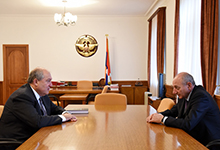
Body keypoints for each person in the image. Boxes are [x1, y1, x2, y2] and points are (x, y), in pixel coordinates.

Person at [0, 68, 77, 147]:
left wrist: (65, 113)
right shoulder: (22, 96)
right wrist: (63, 118)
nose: (51, 85)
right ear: (36, 82)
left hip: (36, 136)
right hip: (18, 142)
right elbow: (37, 122)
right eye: (48, 81)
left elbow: (54, 108)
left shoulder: (41, 93)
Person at [146, 72, 220, 147]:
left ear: (189, 85)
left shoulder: (201, 97)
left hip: (207, 142)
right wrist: (158, 115)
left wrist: (162, 119)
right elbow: (174, 111)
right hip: (192, 137)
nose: (174, 92)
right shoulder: (184, 95)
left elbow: (188, 124)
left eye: (177, 88)